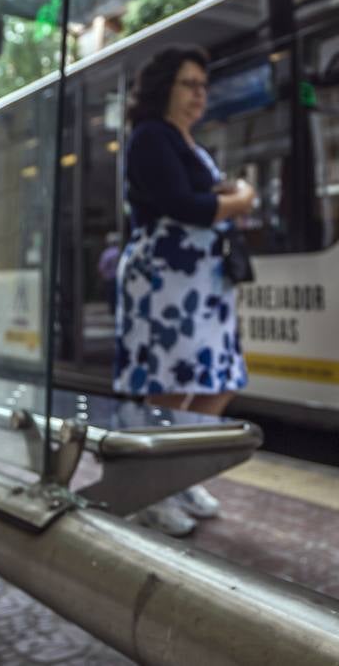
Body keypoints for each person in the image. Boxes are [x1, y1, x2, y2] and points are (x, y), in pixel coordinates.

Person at [115, 44, 257, 537]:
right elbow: (184, 205)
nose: (200, 94)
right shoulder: (150, 137)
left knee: (221, 379)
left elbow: (200, 198)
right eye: (188, 84)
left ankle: (178, 474)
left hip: (202, 282)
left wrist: (225, 198)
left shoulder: (186, 141)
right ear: (164, 89)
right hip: (166, 278)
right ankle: (148, 492)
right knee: (170, 385)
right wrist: (238, 200)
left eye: (203, 85)